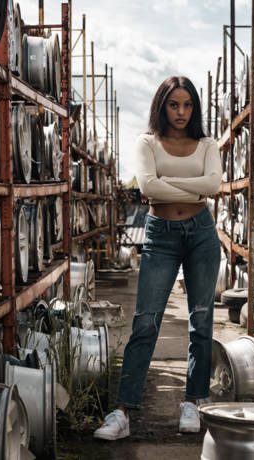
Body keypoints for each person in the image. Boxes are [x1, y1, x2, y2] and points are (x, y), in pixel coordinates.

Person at [94, 76, 222, 441]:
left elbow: (213, 186)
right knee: (146, 322)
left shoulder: (207, 143)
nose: (181, 112)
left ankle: (193, 402)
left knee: (201, 322)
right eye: (173, 104)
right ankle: (122, 412)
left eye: (187, 105)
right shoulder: (147, 142)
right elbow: (147, 186)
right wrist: (190, 184)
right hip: (160, 235)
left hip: (201, 234)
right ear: (161, 106)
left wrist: (170, 181)